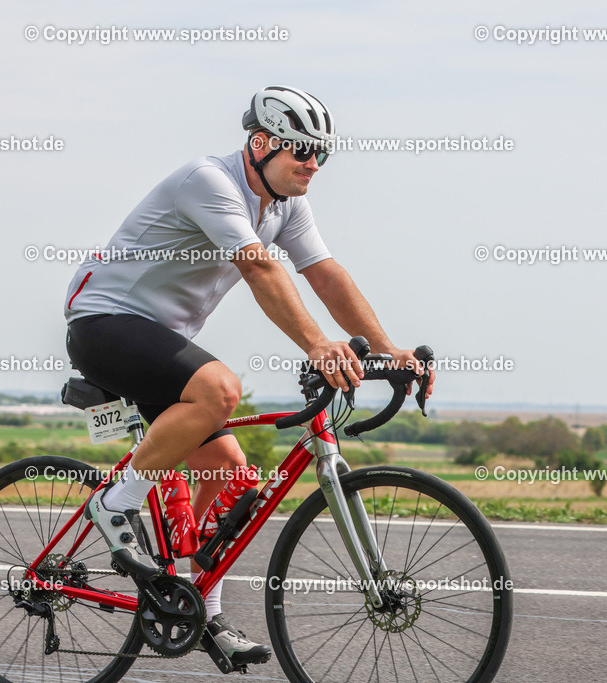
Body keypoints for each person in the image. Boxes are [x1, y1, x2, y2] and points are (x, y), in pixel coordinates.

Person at [63, 85, 434, 666]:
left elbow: (325, 273)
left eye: (322, 154)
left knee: (230, 471)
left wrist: (390, 350)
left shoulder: (286, 204)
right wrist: (318, 344)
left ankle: (201, 615)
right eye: (300, 150)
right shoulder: (208, 181)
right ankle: (115, 504)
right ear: (260, 144)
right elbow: (259, 267)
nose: (313, 163)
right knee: (221, 389)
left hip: (162, 341)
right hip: (104, 320)